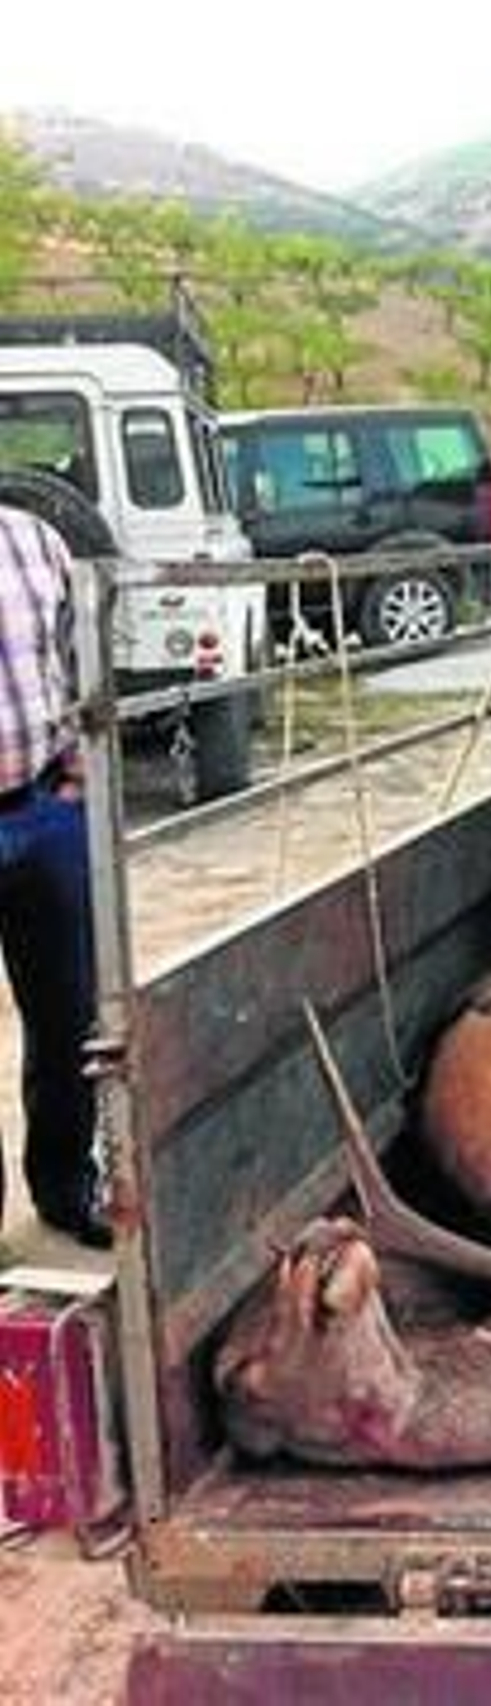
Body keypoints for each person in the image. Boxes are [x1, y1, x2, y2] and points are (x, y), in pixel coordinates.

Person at [0, 502, 107, 1248]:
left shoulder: (35, 538)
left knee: (72, 1018)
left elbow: (76, 664)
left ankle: (68, 1189)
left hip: (43, 811)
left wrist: (76, 774)